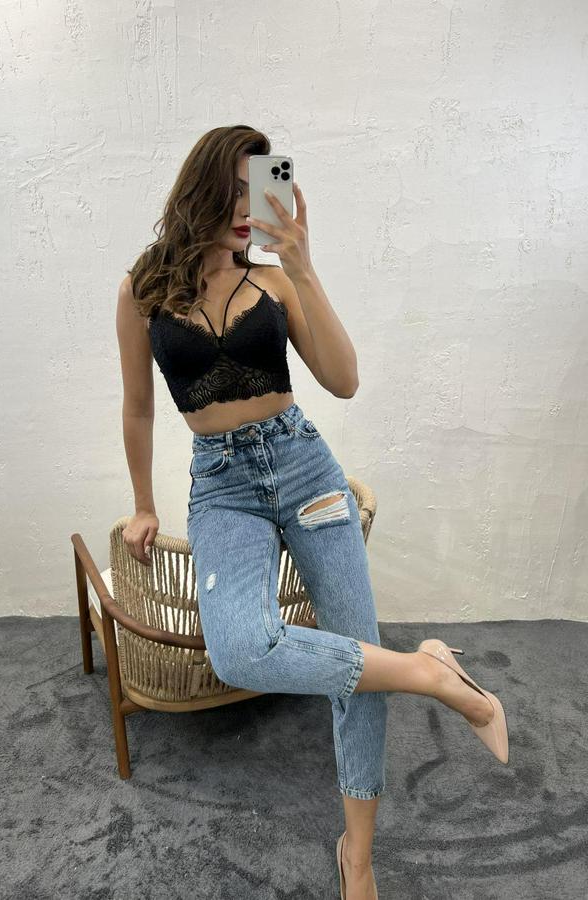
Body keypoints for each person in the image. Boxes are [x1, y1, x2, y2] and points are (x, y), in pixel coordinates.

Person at [115, 125, 508, 900]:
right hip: (221, 484)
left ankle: (356, 855)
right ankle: (429, 671)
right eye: (233, 190)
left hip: (305, 467)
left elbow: (345, 379)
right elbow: (137, 408)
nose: (246, 208)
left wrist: (303, 264)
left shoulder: (276, 281)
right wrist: (142, 505)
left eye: (258, 189)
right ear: (200, 187)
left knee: (356, 664)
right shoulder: (143, 289)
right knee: (239, 649)